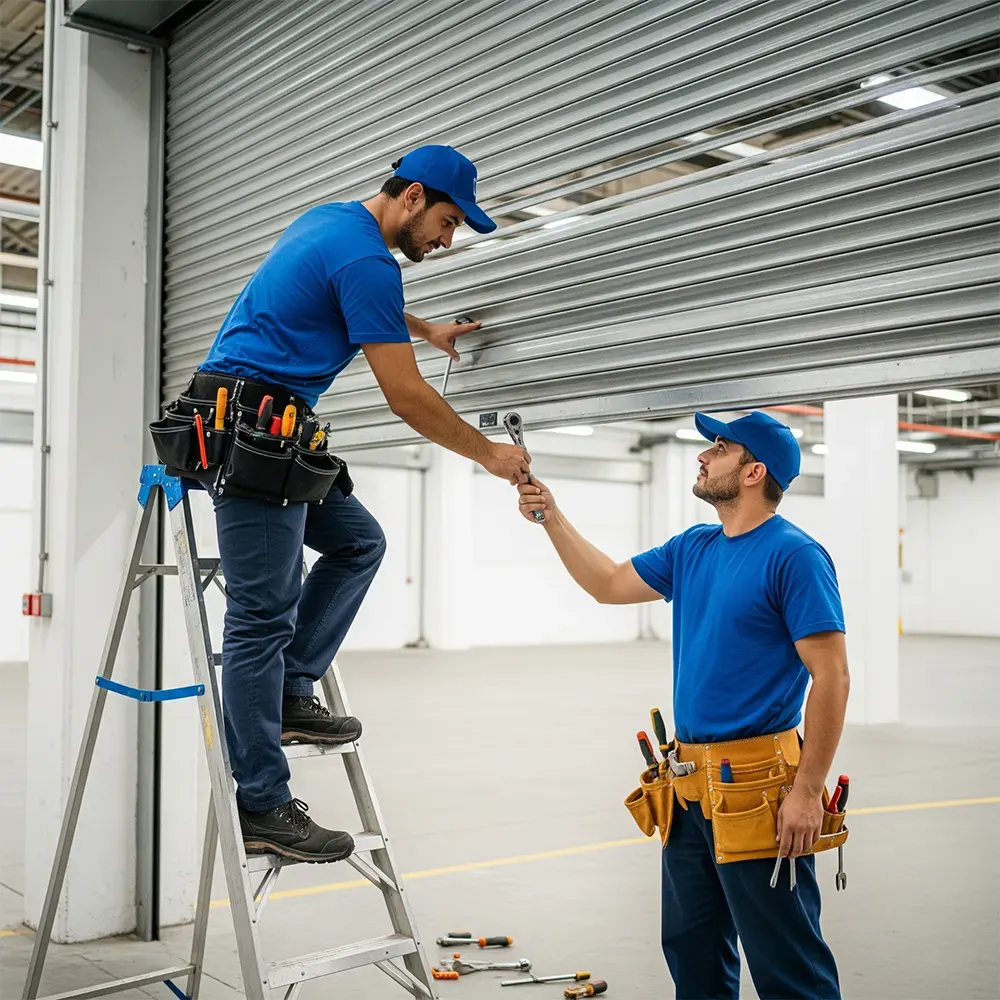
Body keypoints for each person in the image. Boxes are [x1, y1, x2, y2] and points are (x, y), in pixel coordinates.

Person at [189, 145, 530, 864]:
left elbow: (350, 295)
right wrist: (491, 456)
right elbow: (406, 397)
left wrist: (425, 328)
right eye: (445, 222)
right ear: (411, 197)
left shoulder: (335, 223)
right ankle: (261, 803)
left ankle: (289, 691)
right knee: (260, 613)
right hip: (249, 425)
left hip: (267, 421)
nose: (445, 240)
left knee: (357, 543)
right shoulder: (368, 260)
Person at [516, 410, 849, 1000]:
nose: (702, 455)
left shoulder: (794, 556)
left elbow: (833, 677)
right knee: (694, 955)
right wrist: (549, 515)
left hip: (759, 789)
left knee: (786, 965)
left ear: (754, 471)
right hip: (688, 783)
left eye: (718, 448)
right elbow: (609, 583)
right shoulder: (694, 548)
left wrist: (806, 792)